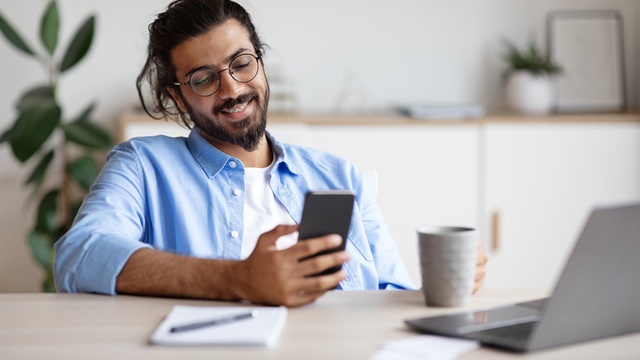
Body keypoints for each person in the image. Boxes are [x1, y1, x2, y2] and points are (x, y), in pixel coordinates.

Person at [53, 0, 487, 307]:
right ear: (179, 97)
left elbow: (392, 297)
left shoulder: (340, 176)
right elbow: (79, 255)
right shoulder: (142, 166)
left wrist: (441, 294)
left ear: (259, 61)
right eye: (204, 79)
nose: (233, 89)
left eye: (241, 63)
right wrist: (236, 280)